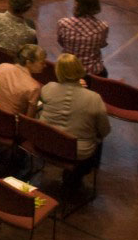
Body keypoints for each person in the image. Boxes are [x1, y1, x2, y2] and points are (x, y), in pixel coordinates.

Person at [37, 56, 112, 185]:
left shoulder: (47, 88)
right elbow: (105, 130)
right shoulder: (94, 98)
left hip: (46, 143)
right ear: (80, 70)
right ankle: (76, 177)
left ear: (58, 71)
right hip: (77, 152)